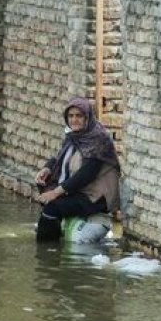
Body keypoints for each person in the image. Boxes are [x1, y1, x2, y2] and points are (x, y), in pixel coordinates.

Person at [33, 97, 120, 242]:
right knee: (44, 185)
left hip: (95, 197)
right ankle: (53, 230)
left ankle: (47, 253)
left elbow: (86, 174)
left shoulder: (98, 139)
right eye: (71, 116)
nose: (74, 120)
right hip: (80, 191)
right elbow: (60, 158)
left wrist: (56, 192)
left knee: (52, 207)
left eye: (79, 116)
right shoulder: (74, 136)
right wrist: (47, 168)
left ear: (88, 117)